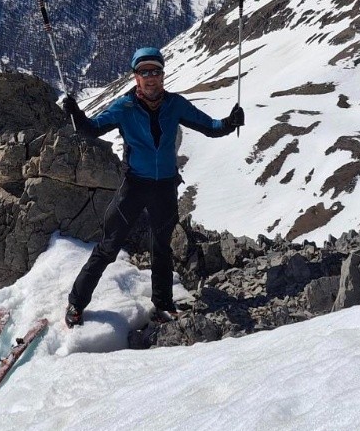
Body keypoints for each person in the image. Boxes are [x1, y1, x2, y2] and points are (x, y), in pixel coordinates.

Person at [62, 46, 243, 327]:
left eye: (155, 71)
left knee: (161, 247)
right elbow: (91, 129)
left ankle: (163, 305)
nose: (150, 77)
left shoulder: (175, 105)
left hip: (164, 187)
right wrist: (75, 113)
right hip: (134, 185)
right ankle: (76, 303)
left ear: (162, 74)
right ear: (135, 77)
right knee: (108, 247)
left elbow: (209, 126)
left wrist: (230, 123)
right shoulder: (124, 107)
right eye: (144, 72)